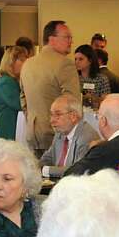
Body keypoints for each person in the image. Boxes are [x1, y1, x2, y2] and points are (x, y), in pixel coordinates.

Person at [19, 19, 80, 154]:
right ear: (51, 39)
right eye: (67, 37)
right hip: (57, 135)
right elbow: (74, 103)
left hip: (33, 133)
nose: (71, 41)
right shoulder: (65, 64)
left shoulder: (28, 64)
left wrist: (34, 119)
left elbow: (23, 100)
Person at [65, 94, 119, 177]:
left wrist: (91, 150)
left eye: (97, 117)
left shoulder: (104, 150)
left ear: (103, 121)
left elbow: (70, 176)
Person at [39, 94, 98, 179]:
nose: (52, 120)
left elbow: (76, 170)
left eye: (58, 115)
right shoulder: (60, 132)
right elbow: (48, 157)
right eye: (51, 114)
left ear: (73, 116)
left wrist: (44, 170)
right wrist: (31, 168)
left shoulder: (86, 137)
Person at [0, 44, 28, 141]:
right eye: (22, 59)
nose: (25, 63)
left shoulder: (11, 81)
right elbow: (20, 104)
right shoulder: (6, 82)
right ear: (11, 62)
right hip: (8, 133)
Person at [74, 43, 110, 109]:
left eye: (81, 59)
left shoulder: (101, 79)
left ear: (90, 61)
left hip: (95, 114)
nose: (77, 62)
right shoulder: (74, 78)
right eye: (75, 59)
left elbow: (106, 102)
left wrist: (93, 99)